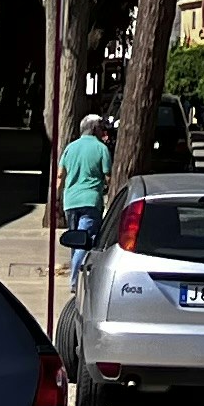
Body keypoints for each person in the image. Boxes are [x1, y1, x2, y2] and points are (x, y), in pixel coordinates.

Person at [56, 109, 116, 296]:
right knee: (84, 241)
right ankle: (75, 281)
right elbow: (108, 177)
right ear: (94, 130)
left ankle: (77, 276)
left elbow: (60, 176)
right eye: (100, 128)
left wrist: (57, 199)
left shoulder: (70, 148)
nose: (103, 132)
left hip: (71, 201)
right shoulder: (101, 149)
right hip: (90, 201)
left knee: (76, 240)